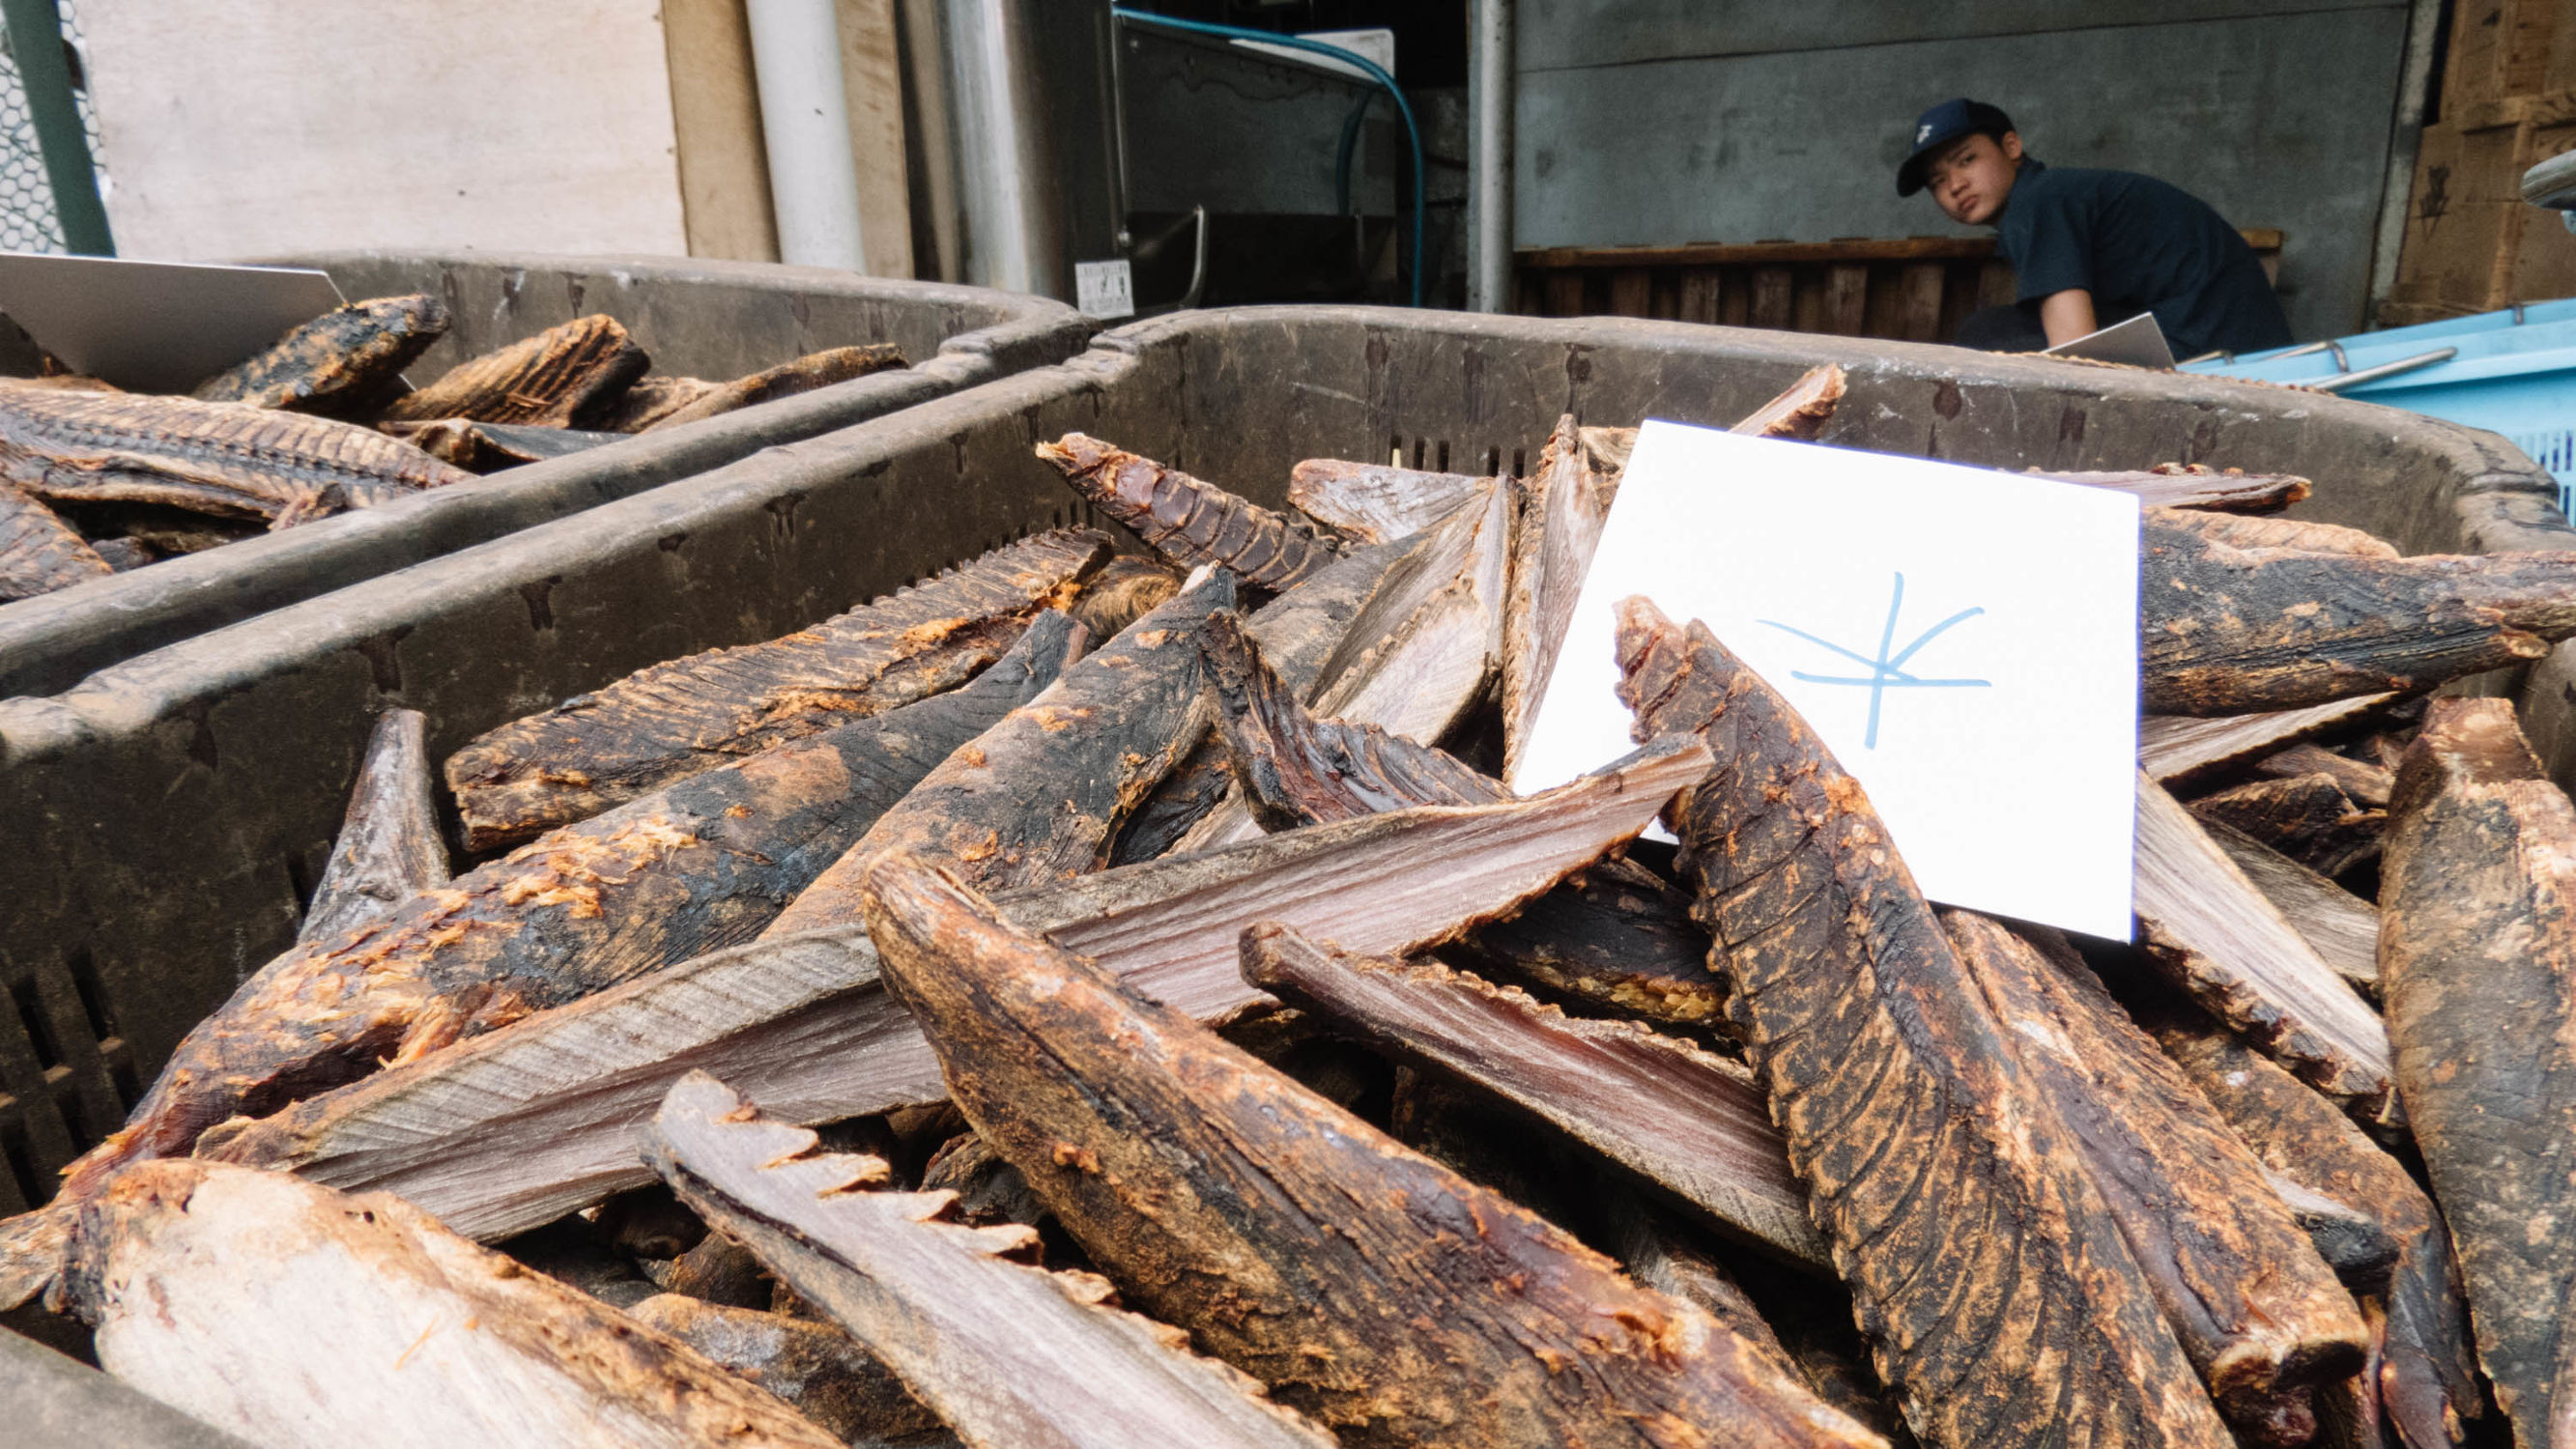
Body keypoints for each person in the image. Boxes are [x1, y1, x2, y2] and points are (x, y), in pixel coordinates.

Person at [1898, 99, 2292, 356]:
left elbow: (2074, 346)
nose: (1954, 185)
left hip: (2218, 356)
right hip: (2230, 343)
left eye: (1966, 160)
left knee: (1987, 334)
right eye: (1937, 181)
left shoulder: (2040, 201)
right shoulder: (2056, 195)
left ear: (2012, 147)